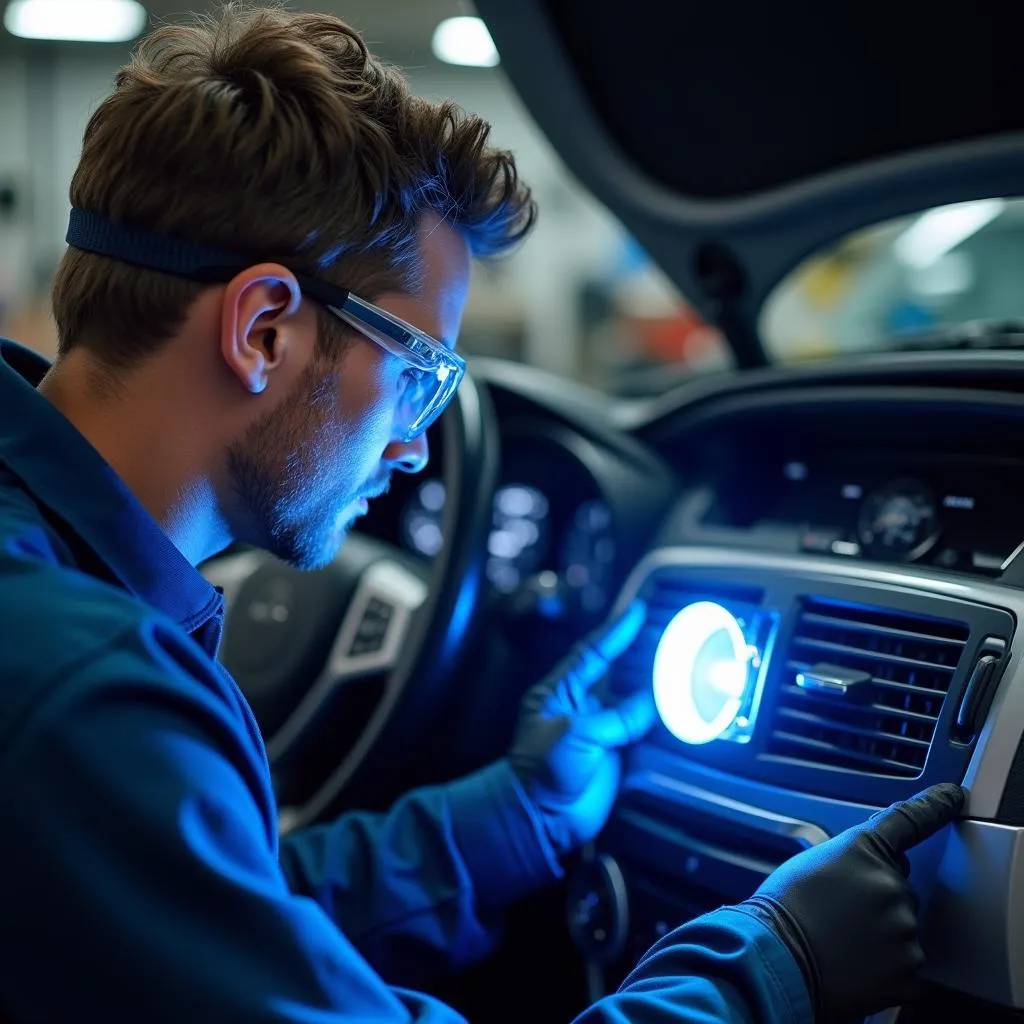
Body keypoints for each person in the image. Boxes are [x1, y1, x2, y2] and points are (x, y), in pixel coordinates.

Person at [0, 4, 964, 1022]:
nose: (415, 444)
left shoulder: (53, 598)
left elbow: (215, 921)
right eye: (419, 375)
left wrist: (523, 812)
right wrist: (781, 965)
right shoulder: (78, 686)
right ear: (264, 329)